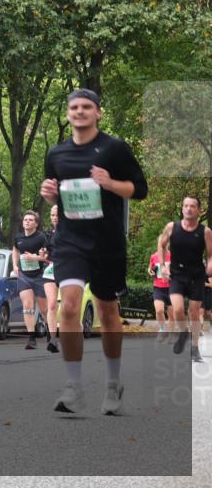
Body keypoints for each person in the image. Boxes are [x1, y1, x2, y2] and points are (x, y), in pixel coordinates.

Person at [40, 88, 147, 415]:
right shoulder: (56, 153)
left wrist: (110, 183)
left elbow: (139, 189)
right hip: (70, 241)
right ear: (68, 113)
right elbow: (54, 195)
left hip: (106, 242)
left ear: (98, 112)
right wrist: (48, 195)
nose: (80, 112)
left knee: (108, 313)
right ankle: (73, 387)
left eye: (87, 107)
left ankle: (113, 383)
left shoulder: (114, 149)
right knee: (68, 307)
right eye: (74, 107)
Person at [156, 195, 212, 362]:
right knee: (178, 309)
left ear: (198, 210)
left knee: (194, 313)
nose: (188, 209)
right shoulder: (172, 227)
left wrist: (210, 264)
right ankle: (183, 332)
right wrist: (163, 265)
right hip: (177, 274)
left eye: (192, 206)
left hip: (196, 275)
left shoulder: (205, 232)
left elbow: (210, 255)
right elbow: (161, 244)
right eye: (186, 205)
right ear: (182, 209)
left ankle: (194, 349)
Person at [12, 210, 52, 350]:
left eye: (30, 220)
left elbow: (47, 256)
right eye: (25, 220)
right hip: (24, 276)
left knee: (44, 309)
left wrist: (34, 258)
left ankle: (50, 333)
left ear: (36, 223)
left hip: (40, 276)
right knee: (28, 306)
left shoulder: (41, 238)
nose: (27, 221)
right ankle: (31, 338)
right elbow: (15, 250)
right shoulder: (19, 237)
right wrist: (15, 265)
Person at [39, 205, 60, 350]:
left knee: (69, 309)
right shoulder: (49, 233)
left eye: (57, 215)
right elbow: (45, 254)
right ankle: (53, 339)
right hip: (51, 270)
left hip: (68, 270)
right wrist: (43, 254)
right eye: (52, 215)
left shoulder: (72, 232)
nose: (54, 218)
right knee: (51, 305)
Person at [148, 248, 172, 342]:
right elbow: (150, 269)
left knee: (172, 316)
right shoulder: (154, 256)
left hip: (172, 288)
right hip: (158, 287)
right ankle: (162, 329)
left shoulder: (173, 255)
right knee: (159, 310)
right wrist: (150, 271)